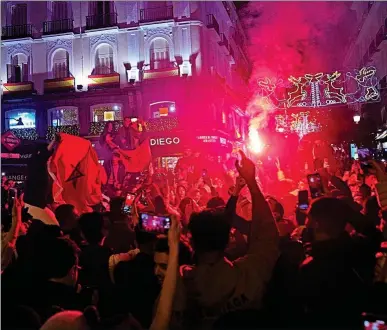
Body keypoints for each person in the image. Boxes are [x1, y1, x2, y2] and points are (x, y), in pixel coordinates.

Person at [174, 151, 279, 328]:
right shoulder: (251, 271)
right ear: (228, 239)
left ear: (191, 242)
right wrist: (252, 184)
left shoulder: (181, 284)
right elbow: (267, 234)